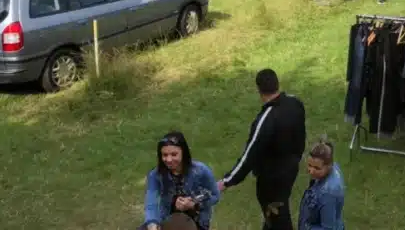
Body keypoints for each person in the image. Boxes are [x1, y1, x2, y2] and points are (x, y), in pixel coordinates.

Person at [218, 69, 306, 230]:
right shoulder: (295, 103)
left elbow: (249, 156)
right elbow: (301, 136)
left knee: (278, 218)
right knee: (273, 216)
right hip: (291, 170)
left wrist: (227, 181)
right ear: (277, 83)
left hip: (271, 180)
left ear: (259, 89)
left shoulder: (266, 119)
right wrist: (295, 159)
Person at [141, 132, 220, 230]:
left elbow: (215, 195)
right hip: (167, 219)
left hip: (197, 221)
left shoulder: (201, 171)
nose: (169, 160)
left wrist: (193, 203)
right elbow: (151, 203)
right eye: (165, 155)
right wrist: (152, 223)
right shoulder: (156, 175)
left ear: (183, 152)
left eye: (174, 154)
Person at [297, 138, 345, 230]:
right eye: (309, 165)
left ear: (329, 165)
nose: (311, 171)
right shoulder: (333, 168)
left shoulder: (328, 194)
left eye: (317, 168)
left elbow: (328, 228)